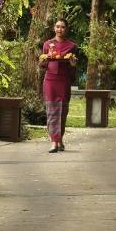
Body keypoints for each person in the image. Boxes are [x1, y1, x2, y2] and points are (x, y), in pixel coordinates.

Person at [39, 18, 77, 153]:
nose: (59, 29)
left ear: (66, 29)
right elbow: (43, 65)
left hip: (64, 80)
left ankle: (60, 139)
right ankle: (54, 142)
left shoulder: (71, 46)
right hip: (50, 80)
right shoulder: (47, 44)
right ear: (54, 28)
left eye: (62, 27)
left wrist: (73, 64)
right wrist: (44, 59)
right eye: (57, 27)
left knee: (62, 111)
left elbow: (73, 68)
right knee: (51, 110)